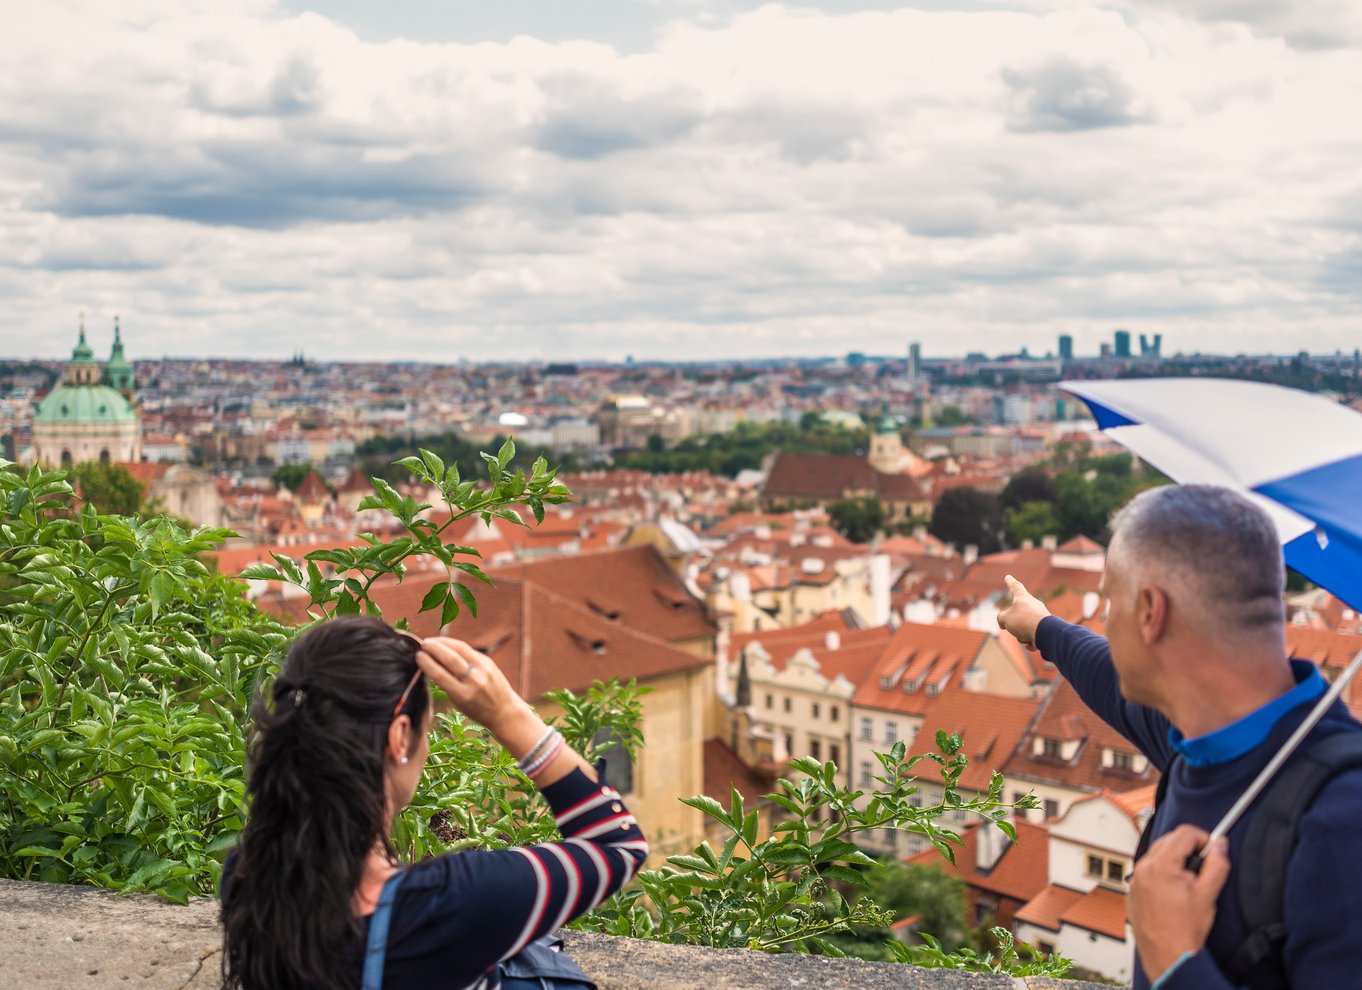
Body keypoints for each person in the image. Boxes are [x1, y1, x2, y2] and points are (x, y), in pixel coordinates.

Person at [997, 484, 1362, 990]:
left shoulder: (1343, 817)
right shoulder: (1201, 733)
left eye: (1109, 602)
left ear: (1150, 612)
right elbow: (1106, 674)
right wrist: (1042, 627)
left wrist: (1173, 961)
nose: (1106, 621)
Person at [220, 616, 647, 990]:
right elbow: (620, 845)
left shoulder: (246, 877)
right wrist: (506, 714)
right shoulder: (445, 904)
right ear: (400, 737)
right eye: (427, 730)